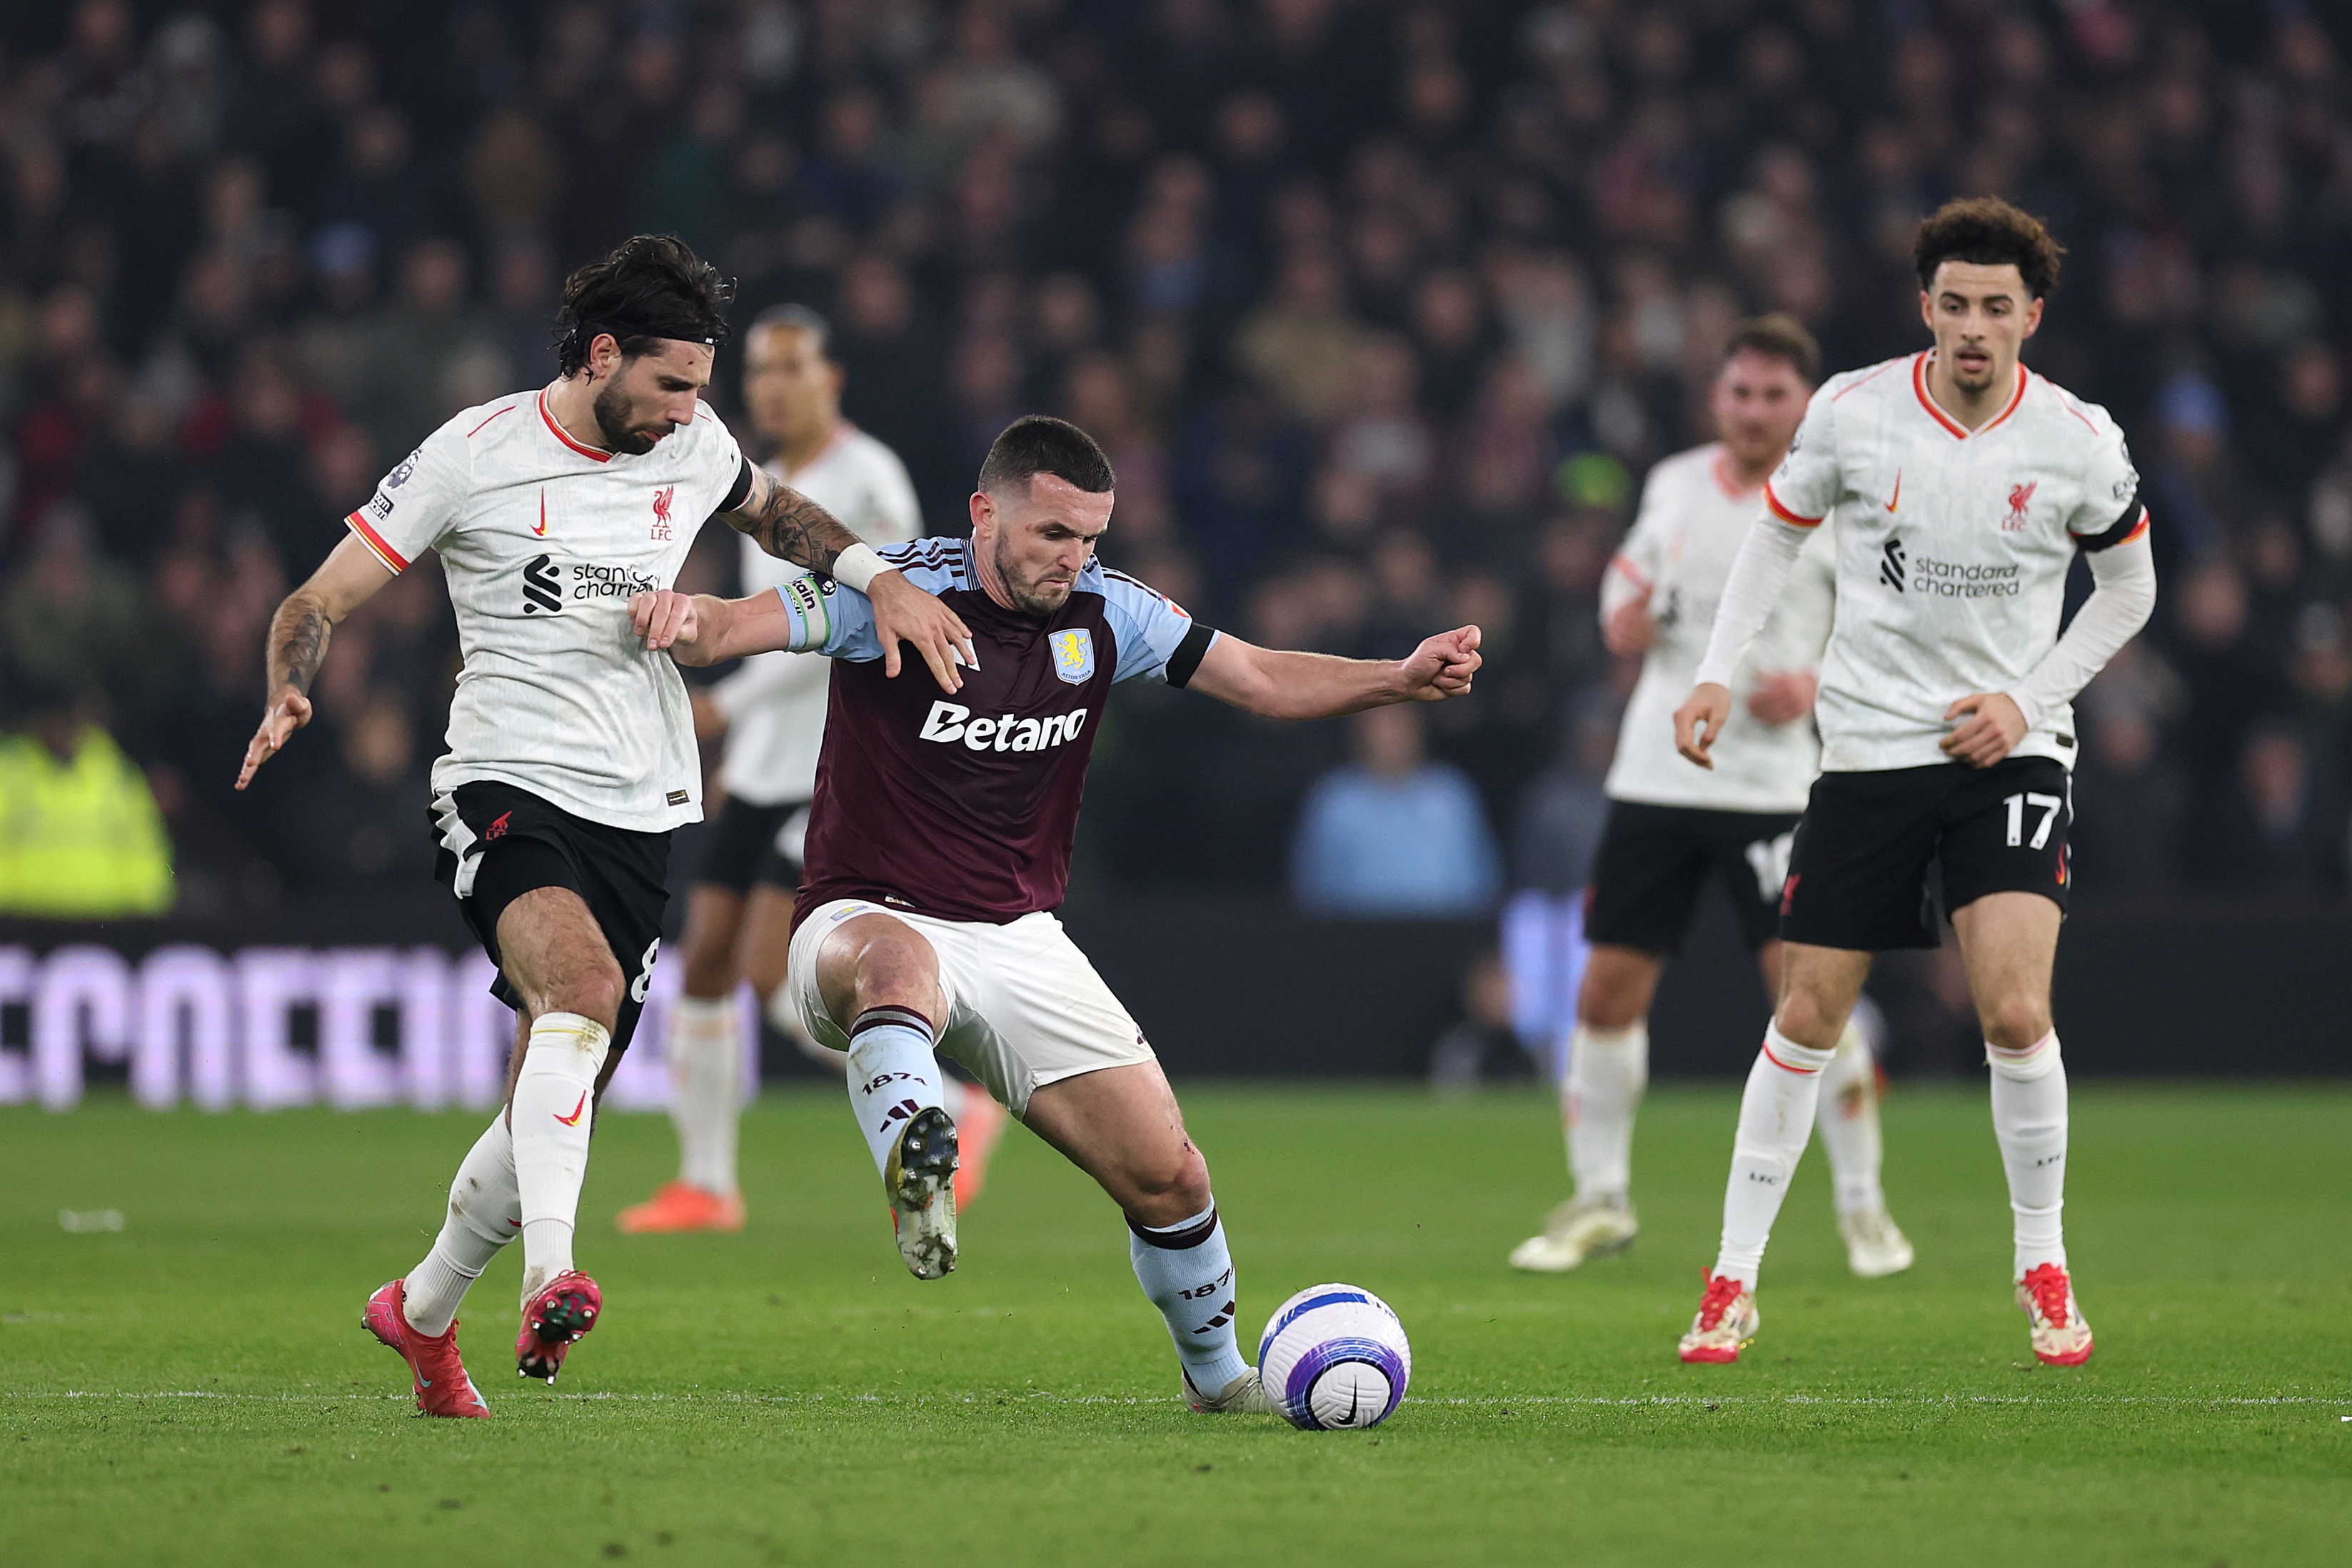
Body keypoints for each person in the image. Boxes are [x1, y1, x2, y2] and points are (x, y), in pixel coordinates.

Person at [233, 235, 971, 1418]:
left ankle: (419, 1314)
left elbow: (779, 515)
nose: (692, 411)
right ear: (601, 355)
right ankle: (552, 1275)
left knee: (554, 1083)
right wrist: (289, 681)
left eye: (703, 388)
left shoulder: (692, 441)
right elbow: (318, 597)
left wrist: (878, 577)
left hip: (642, 803)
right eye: (672, 384)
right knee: (574, 992)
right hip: (503, 781)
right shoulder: (473, 454)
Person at [628, 415, 1481, 1412]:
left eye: (1090, 539)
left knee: (1170, 1179)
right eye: (1052, 536)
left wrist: (1397, 678)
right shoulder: (894, 593)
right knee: (897, 973)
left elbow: (1253, 676)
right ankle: (919, 1168)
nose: (1074, 561)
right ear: (985, 514)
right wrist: (670, 616)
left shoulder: (1111, 612)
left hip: (1019, 937)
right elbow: (735, 626)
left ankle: (1220, 1381)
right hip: (862, 915)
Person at [1670, 199, 2157, 1367]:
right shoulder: (1851, 412)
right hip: (1871, 752)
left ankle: (2040, 1261)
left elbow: (2131, 594)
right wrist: (1715, 674)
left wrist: (2024, 703)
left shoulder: (2079, 441)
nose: (1975, 328)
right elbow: (1774, 538)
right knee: (1807, 1015)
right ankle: (1730, 1280)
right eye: (1955, 305)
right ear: (1923, 309)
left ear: (2031, 316)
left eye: (1998, 307)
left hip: (2010, 754)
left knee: (2013, 1009)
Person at [1509, 317, 1913, 1280]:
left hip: (1773, 786)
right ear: (1716, 397)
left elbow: (1892, 623)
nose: (1753, 411)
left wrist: (1814, 681)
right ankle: (1599, 1198)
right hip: (1654, 774)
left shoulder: (1844, 498)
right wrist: (1621, 610)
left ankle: (1863, 1203)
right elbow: (1631, 577)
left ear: (1805, 404)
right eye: (1740, 392)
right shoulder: (1675, 482)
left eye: (1774, 396)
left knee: (1810, 999)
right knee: (1605, 991)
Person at [613, 304, 1007, 1236]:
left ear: (831, 378)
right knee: (707, 963)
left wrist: (727, 708)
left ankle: (953, 1102)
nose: (769, 389)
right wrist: (740, 735)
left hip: (835, 760)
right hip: (766, 762)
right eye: (757, 373)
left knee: (767, 973)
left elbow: (869, 624)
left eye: (788, 369)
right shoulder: (773, 482)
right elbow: (773, 626)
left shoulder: (866, 482)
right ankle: (707, 1185)